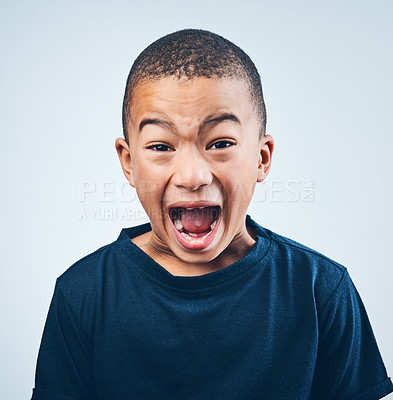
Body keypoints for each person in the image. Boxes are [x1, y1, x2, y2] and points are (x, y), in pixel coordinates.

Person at [31, 29, 393, 400]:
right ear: (128, 162)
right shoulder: (83, 293)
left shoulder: (322, 291)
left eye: (220, 143)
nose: (192, 176)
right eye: (160, 145)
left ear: (261, 158)